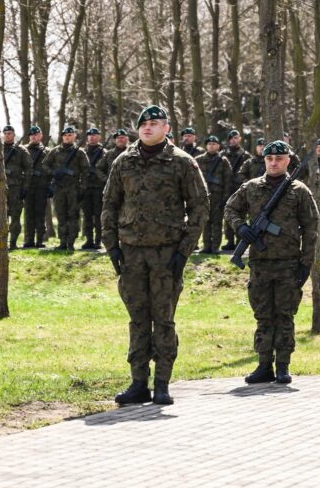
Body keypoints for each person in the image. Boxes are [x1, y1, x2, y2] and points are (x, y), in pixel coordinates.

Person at [102, 105, 209, 406]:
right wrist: (112, 247)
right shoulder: (124, 162)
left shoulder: (183, 163)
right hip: (132, 254)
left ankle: (162, 383)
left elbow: (200, 207)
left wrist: (184, 251)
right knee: (138, 320)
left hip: (166, 255)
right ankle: (138, 383)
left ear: (166, 128)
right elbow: (110, 204)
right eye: (143, 124)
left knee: (163, 320)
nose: (148, 127)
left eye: (154, 123)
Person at [225, 140, 320, 385]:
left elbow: (311, 229)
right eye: (269, 159)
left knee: (285, 315)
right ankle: (264, 365)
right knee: (263, 316)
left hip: (289, 264)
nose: (274, 163)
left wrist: (305, 264)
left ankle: (283, 366)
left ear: (288, 160)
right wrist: (241, 227)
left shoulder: (299, 190)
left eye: (279, 159)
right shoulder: (251, 187)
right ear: (264, 160)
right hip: (260, 264)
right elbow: (230, 209)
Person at [42, 125, 88, 251]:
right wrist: (54, 172)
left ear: (74, 136)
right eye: (65, 135)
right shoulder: (55, 151)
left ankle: (71, 242)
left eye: (70, 135)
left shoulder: (79, 152)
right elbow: (44, 165)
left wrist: (82, 188)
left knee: (73, 215)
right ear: (62, 137)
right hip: (59, 188)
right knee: (61, 215)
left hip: (73, 188)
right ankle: (62, 242)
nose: (68, 137)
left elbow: (86, 171)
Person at [195, 135, 232, 253]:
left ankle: (215, 247)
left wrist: (226, 197)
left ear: (218, 146)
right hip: (203, 196)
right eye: (209, 144)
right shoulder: (199, 160)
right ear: (206, 146)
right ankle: (206, 246)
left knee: (216, 222)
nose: (211, 146)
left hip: (218, 197)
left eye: (214, 144)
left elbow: (228, 179)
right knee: (205, 221)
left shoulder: (223, 160)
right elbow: (194, 178)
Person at [1, 125, 31, 249]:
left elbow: (29, 169)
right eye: (5, 133)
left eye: (10, 133)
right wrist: (2, 172)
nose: (8, 135)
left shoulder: (22, 150)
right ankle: (1, 242)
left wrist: (25, 187)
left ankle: (13, 242)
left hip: (16, 188)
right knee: (1, 217)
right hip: (0, 188)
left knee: (15, 216)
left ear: (14, 135)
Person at [221, 129, 251, 251]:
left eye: (236, 137)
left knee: (241, 215)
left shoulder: (246, 156)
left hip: (240, 189)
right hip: (227, 188)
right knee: (228, 215)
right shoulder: (223, 155)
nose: (234, 140)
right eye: (231, 138)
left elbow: (249, 172)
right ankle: (230, 241)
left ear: (240, 139)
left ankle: (240, 241)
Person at [23, 125, 49, 248]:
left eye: (36, 134)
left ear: (41, 135)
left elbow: (52, 169)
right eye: (32, 135)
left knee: (40, 214)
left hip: (41, 187)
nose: (34, 136)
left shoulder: (47, 151)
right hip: (27, 187)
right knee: (28, 214)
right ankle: (29, 240)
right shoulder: (23, 150)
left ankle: (40, 240)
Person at [81, 128, 107, 250]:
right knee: (87, 215)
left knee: (98, 216)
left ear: (99, 137)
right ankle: (89, 240)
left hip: (98, 188)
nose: (92, 137)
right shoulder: (81, 152)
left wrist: (97, 173)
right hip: (85, 188)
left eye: (95, 135)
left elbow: (107, 170)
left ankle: (98, 241)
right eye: (90, 135)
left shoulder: (104, 153)